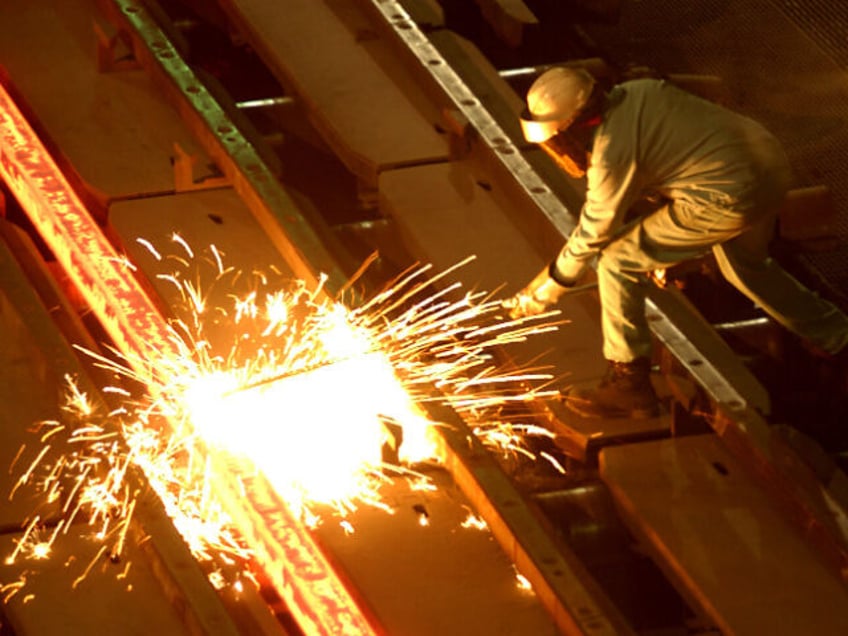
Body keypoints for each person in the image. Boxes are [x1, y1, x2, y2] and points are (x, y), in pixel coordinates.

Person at [504, 66, 848, 419]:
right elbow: (679, 155)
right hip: (765, 163)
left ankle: (629, 384)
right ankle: (837, 337)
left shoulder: (612, 152)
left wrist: (548, 287)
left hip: (727, 193)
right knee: (746, 270)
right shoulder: (640, 91)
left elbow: (595, 230)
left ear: (573, 125)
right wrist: (667, 252)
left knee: (617, 261)